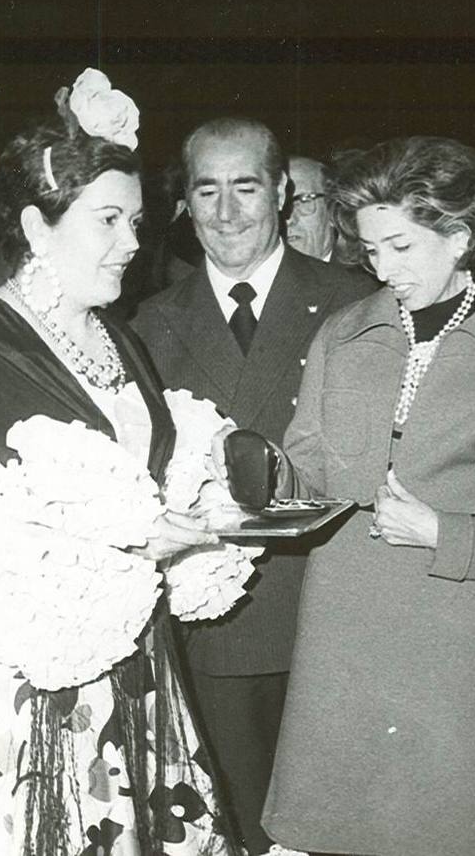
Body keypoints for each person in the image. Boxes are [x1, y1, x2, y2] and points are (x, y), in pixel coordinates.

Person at [0, 73, 231, 855]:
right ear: (38, 229)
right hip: (20, 679)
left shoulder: (118, 338)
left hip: (129, 659)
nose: (133, 243)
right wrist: (121, 544)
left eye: (136, 221)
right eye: (107, 220)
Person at [257, 136, 475, 855]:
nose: (383, 268)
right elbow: (304, 468)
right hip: (341, 642)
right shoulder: (342, 335)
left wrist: (447, 532)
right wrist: (246, 483)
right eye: (372, 249)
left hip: (458, 646)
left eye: (402, 247)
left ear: (462, 235)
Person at [132, 117, 376, 856]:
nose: (228, 211)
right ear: (185, 203)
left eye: (246, 186)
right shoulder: (148, 323)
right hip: (216, 634)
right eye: (207, 189)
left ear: (283, 191)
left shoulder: (352, 301)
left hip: (334, 617)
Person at [284, 155, 336, 261]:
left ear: (332, 209)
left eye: (304, 200)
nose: (288, 220)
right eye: (280, 204)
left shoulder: (365, 274)